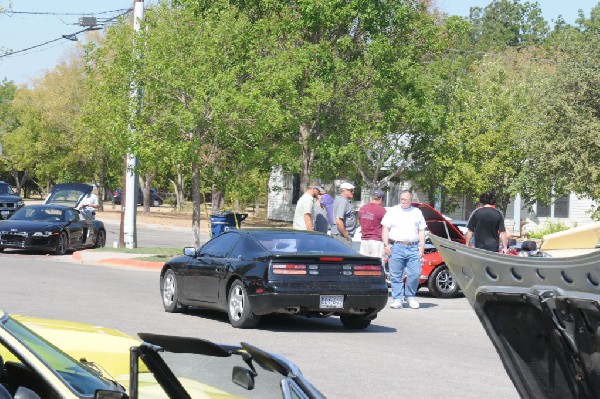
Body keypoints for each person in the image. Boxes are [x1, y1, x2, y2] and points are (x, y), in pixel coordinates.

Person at [381, 190, 426, 309]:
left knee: (415, 273)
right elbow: (385, 228)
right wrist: (386, 245)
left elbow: (421, 230)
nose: (403, 201)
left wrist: (422, 246)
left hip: (413, 247)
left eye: (406, 199)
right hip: (396, 246)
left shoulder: (417, 212)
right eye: (401, 199)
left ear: (411, 200)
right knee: (395, 275)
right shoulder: (393, 211)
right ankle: (397, 299)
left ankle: (410, 296)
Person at [358, 188, 387, 258]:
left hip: (364, 240)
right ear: (381, 199)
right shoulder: (382, 211)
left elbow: (360, 222)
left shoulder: (362, 209)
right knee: (377, 265)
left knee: (364, 265)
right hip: (376, 241)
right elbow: (386, 227)